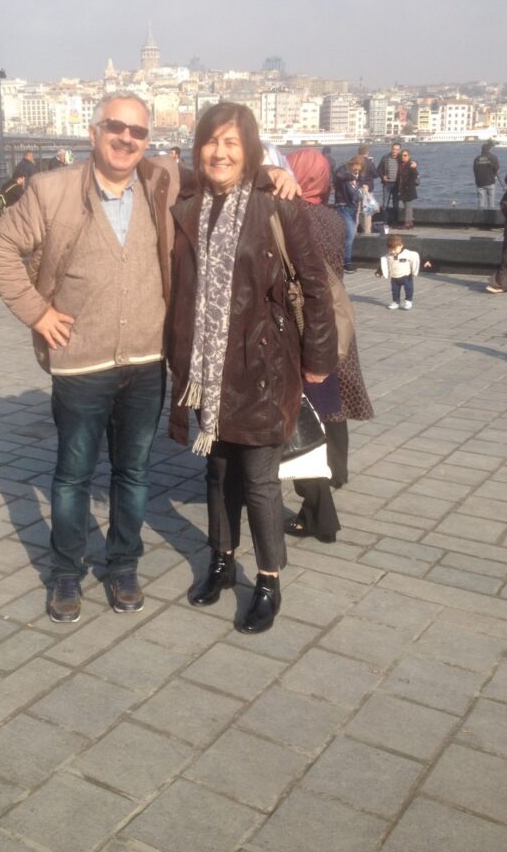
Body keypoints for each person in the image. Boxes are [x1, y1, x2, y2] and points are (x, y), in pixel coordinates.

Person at [0, 91, 299, 624]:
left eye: (138, 132)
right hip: (80, 363)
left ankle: (123, 565)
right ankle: (66, 573)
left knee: (133, 473)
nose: (127, 139)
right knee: (72, 475)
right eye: (116, 128)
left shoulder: (161, 181)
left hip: (148, 361)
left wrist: (273, 174)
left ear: (147, 142)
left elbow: (226, 173)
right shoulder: (50, 189)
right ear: (93, 132)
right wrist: (37, 313)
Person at [167, 103, 337, 634]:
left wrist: (318, 360)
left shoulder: (277, 206)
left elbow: (315, 284)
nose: (220, 153)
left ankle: (267, 579)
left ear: (251, 150)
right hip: (206, 368)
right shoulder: (187, 203)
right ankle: (221, 558)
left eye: (233, 144)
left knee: (261, 479)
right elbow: (152, 170)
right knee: (217, 469)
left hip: (261, 363)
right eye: (211, 142)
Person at [284, 148, 374, 538]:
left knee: (307, 414)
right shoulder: (334, 219)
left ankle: (319, 511)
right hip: (337, 326)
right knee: (331, 410)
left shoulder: (292, 217)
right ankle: (336, 473)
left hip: (307, 327)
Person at [333, 154, 364, 272]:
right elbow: (338, 175)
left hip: (353, 207)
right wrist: (351, 175)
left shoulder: (358, 174)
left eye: (360, 167)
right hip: (343, 205)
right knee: (350, 234)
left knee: (346, 234)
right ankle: (347, 261)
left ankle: (340, 259)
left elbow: (358, 186)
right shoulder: (343, 170)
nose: (358, 170)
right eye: (356, 167)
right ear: (352, 164)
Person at [377, 234, 420, 309]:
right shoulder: (388, 256)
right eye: (390, 249)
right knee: (395, 290)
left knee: (408, 289)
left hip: (406, 276)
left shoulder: (407, 254)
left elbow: (415, 259)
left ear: (401, 245)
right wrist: (379, 272)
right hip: (394, 277)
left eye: (395, 249)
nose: (393, 251)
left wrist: (414, 270)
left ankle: (408, 301)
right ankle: (396, 302)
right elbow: (384, 264)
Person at [377, 141, 401, 224]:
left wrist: (415, 163)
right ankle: (385, 222)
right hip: (387, 184)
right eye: (394, 149)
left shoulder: (401, 158)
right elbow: (378, 169)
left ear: (399, 150)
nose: (395, 151)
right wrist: (383, 176)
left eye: (397, 150)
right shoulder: (385, 158)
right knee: (385, 204)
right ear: (391, 149)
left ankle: (395, 222)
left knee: (396, 204)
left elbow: (410, 160)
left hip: (397, 184)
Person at [396, 149, 419, 229]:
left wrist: (409, 184)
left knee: (408, 206)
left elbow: (415, 174)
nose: (403, 157)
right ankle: (410, 222)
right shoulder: (401, 164)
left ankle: (407, 223)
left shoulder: (410, 164)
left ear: (408, 156)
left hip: (409, 189)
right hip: (403, 188)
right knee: (407, 206)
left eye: (405, 155)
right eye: (402, 155)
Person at [473, 141, 500, 209]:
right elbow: (497, 169)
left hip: (480, 182)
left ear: (481, 149)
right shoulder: (493, 157)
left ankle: (480, 217)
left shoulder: (477, 159)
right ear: (489, 149)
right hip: (490, 181)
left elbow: (475, 170)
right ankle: (490, 218)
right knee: (491, 202)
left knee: (481, 202)